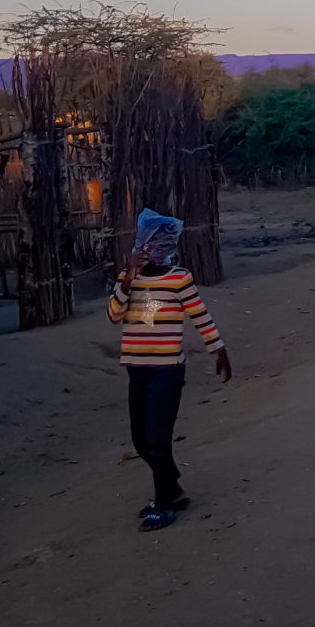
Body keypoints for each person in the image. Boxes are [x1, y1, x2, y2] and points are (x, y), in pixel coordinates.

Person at [106, 208, 232, 531]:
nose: (151, 250)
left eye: (158, 244)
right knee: (140, 440)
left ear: (168, 246)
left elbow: (199, 315)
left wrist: (218, 348)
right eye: (146, 244)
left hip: (167, 371)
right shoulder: (127, 279)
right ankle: (172, 488)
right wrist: (129, 277)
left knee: (157, 438)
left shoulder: (179, 278)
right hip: (137, 370)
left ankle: (164, 503)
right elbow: (114, 315)